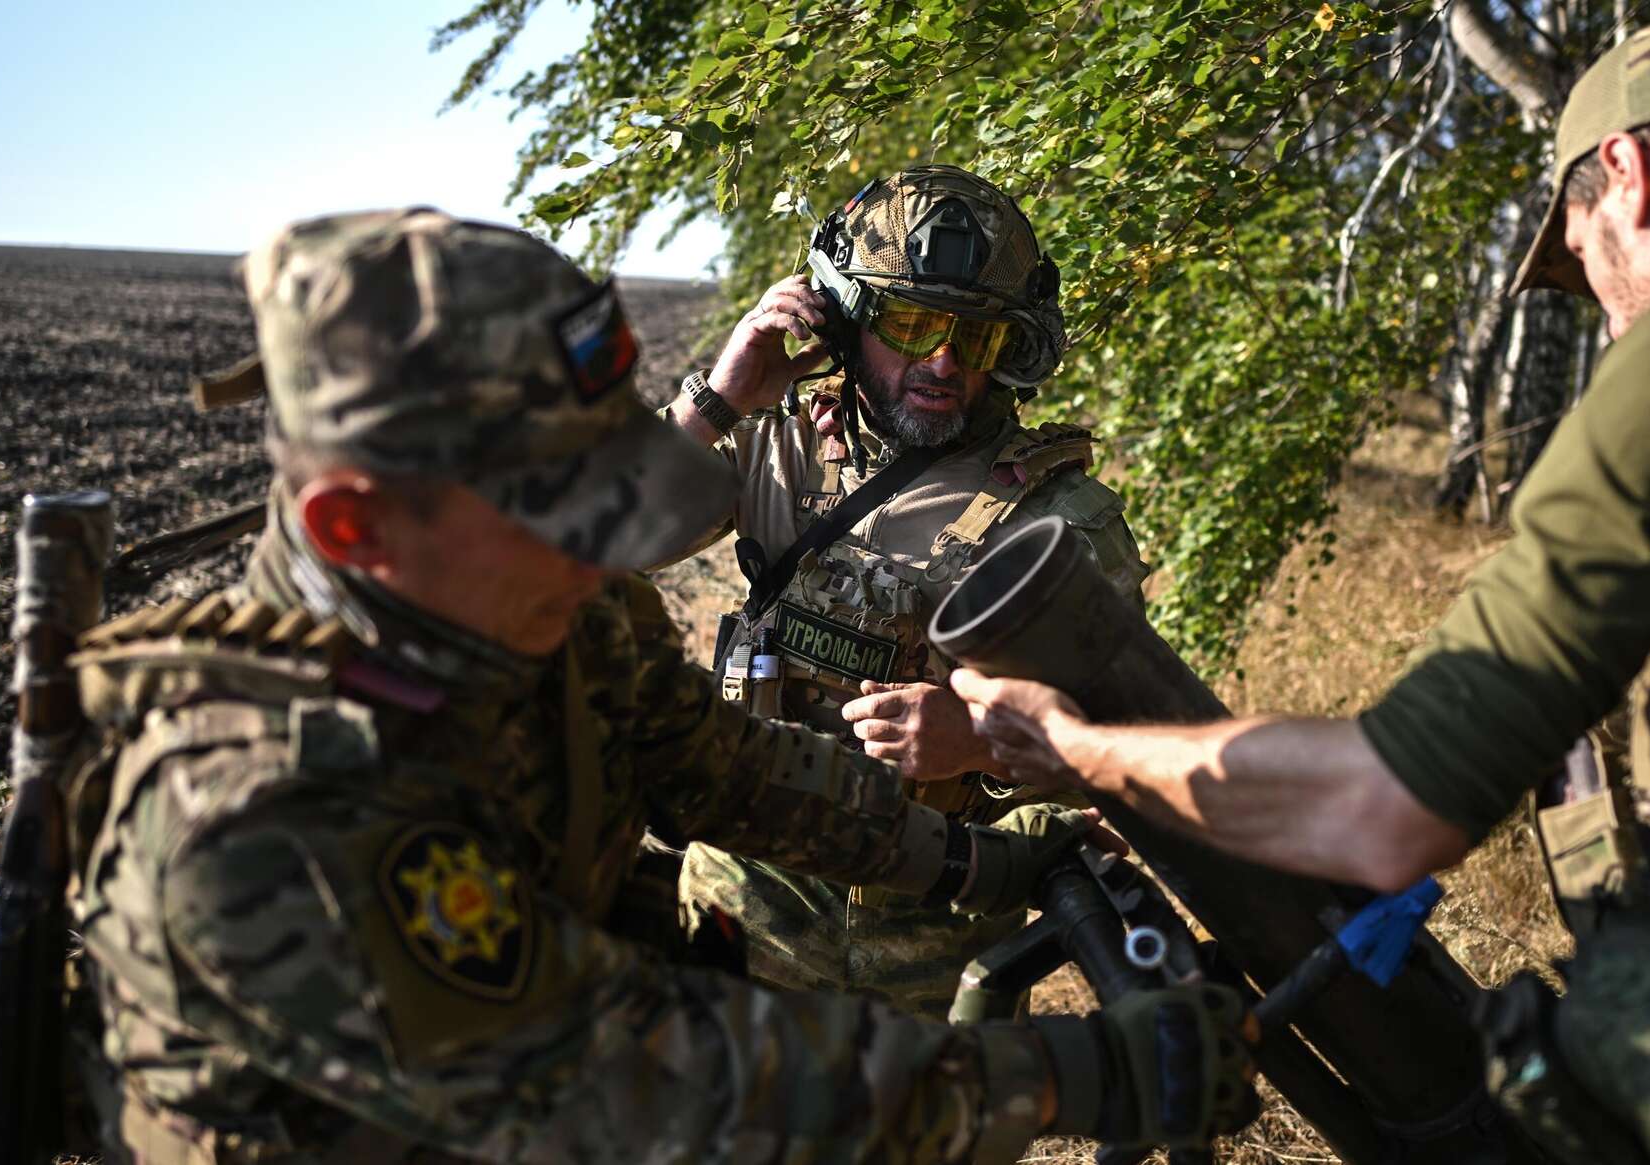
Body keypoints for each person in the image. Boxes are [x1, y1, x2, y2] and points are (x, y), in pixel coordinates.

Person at [952, 16, 1650, 1164]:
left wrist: (1084, 751)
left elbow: (1385, 807)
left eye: (1578, 256)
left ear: (1628, 172)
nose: (1607, 311)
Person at [65, 208, 1257, 1163]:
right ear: (356, 525)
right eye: (563, 513)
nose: (603, 554)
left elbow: (728, 768)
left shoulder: (540, 613)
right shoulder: (261, 808)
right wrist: (1072, 1077)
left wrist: (978, 864)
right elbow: (636, 1076)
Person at [666, 165, 1151, 1020]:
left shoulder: (1059, 521)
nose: (943, 361)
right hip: (740, 921)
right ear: (848, 318)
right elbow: (590, 546)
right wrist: (717, 399)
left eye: (977, 336)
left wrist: (981, 742)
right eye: (913, 322)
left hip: (934, 960)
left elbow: (1127, 747)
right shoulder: (772, 449)